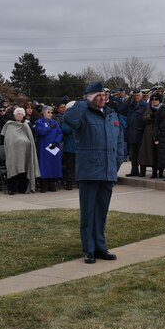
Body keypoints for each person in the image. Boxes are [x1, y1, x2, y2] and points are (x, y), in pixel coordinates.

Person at [63, 82, 124, 264]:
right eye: (97, 95)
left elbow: (120, 141)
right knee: (88, 212)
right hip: (89, 171)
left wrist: (117, 161)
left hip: (108, 171)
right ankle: (89, 249)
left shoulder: (112, 115)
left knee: (101, 212)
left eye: (104, 95)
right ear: (89, 96)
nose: (102, 98)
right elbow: (69, 120)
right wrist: (83, 102)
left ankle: (100, 247)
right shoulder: (82, 114)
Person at [0, 107, 40, 194]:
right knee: (13, 168)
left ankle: (22, 188)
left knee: (24, 169)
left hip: (24, 153)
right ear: (14, 115)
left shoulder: (26, 125)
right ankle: (12, 189)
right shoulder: (9, 125)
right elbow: (8, 139)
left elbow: (31, 139)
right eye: (18, 114)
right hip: (13, 153)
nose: (20, 116)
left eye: (21, 114)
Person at [33, 106, 63, 192]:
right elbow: (40, 132)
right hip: (44, 148)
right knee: (44, 166)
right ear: (43, 113)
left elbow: (60, 133)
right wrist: (49, 128)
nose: (50, 114)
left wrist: (56, 142)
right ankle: (44, 185)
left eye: (51, 112)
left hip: (54, 147)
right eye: (48, 112)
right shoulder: (38, 122)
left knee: (53, 165)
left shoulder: (55, 122)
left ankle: (52, 185)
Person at [119, 89, 148, 177]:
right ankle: (134, 171)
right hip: (131, 133)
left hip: (140, 133)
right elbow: (121, 111)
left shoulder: (145, 105)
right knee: (133, 155)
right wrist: (128, 100)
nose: (136, 97)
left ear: (141, 96)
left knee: (141, 154)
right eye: (134, 96)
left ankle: (142, 172)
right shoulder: (130, 105)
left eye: (137, 96)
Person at [139, 93, 163, 179]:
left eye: (156, 99)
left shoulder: (163, 108)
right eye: (152, 99)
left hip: (161, 134)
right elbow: (143, 118)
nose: (154, 101)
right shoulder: (149, 108)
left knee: (160, 153)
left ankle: (160, 172)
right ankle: (154, 172)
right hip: (149, 133)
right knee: (151, 154)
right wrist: (150, 117)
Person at [60, 101, 77, 190]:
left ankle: (78, 182)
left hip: (78, 147)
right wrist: (74, 125)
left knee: (78, 166)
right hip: (69, 147)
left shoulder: (79, 118)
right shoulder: (65, 119)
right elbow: (65, 129)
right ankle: (69, 183)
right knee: (69, 166)